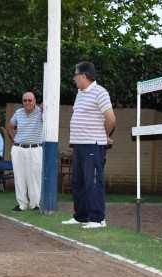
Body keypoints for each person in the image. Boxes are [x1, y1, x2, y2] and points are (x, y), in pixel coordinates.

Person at [61, 61, 116, 229]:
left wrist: (104, 135)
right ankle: (81, 216)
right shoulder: (80, 93)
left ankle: (97, 219)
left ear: (84, 76)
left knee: (92, 181)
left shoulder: (100, 92)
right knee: (78, 182)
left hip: (93, 145)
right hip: (78, 145)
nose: (73, 78)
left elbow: (111, 119)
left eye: (75, 75)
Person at [6, 92, 44, 211]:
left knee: (35, 177)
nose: (27, 103)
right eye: (25, 100)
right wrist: (14, 139)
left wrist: (45, 109)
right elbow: (10, 126)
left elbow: (48, 119)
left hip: (35, 148)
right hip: (18, 148)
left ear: (34, 101)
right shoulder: (18, 113)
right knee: (19, 176)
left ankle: (35, 204)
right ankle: (22, 204)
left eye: (30, 100)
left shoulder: (41, 112)